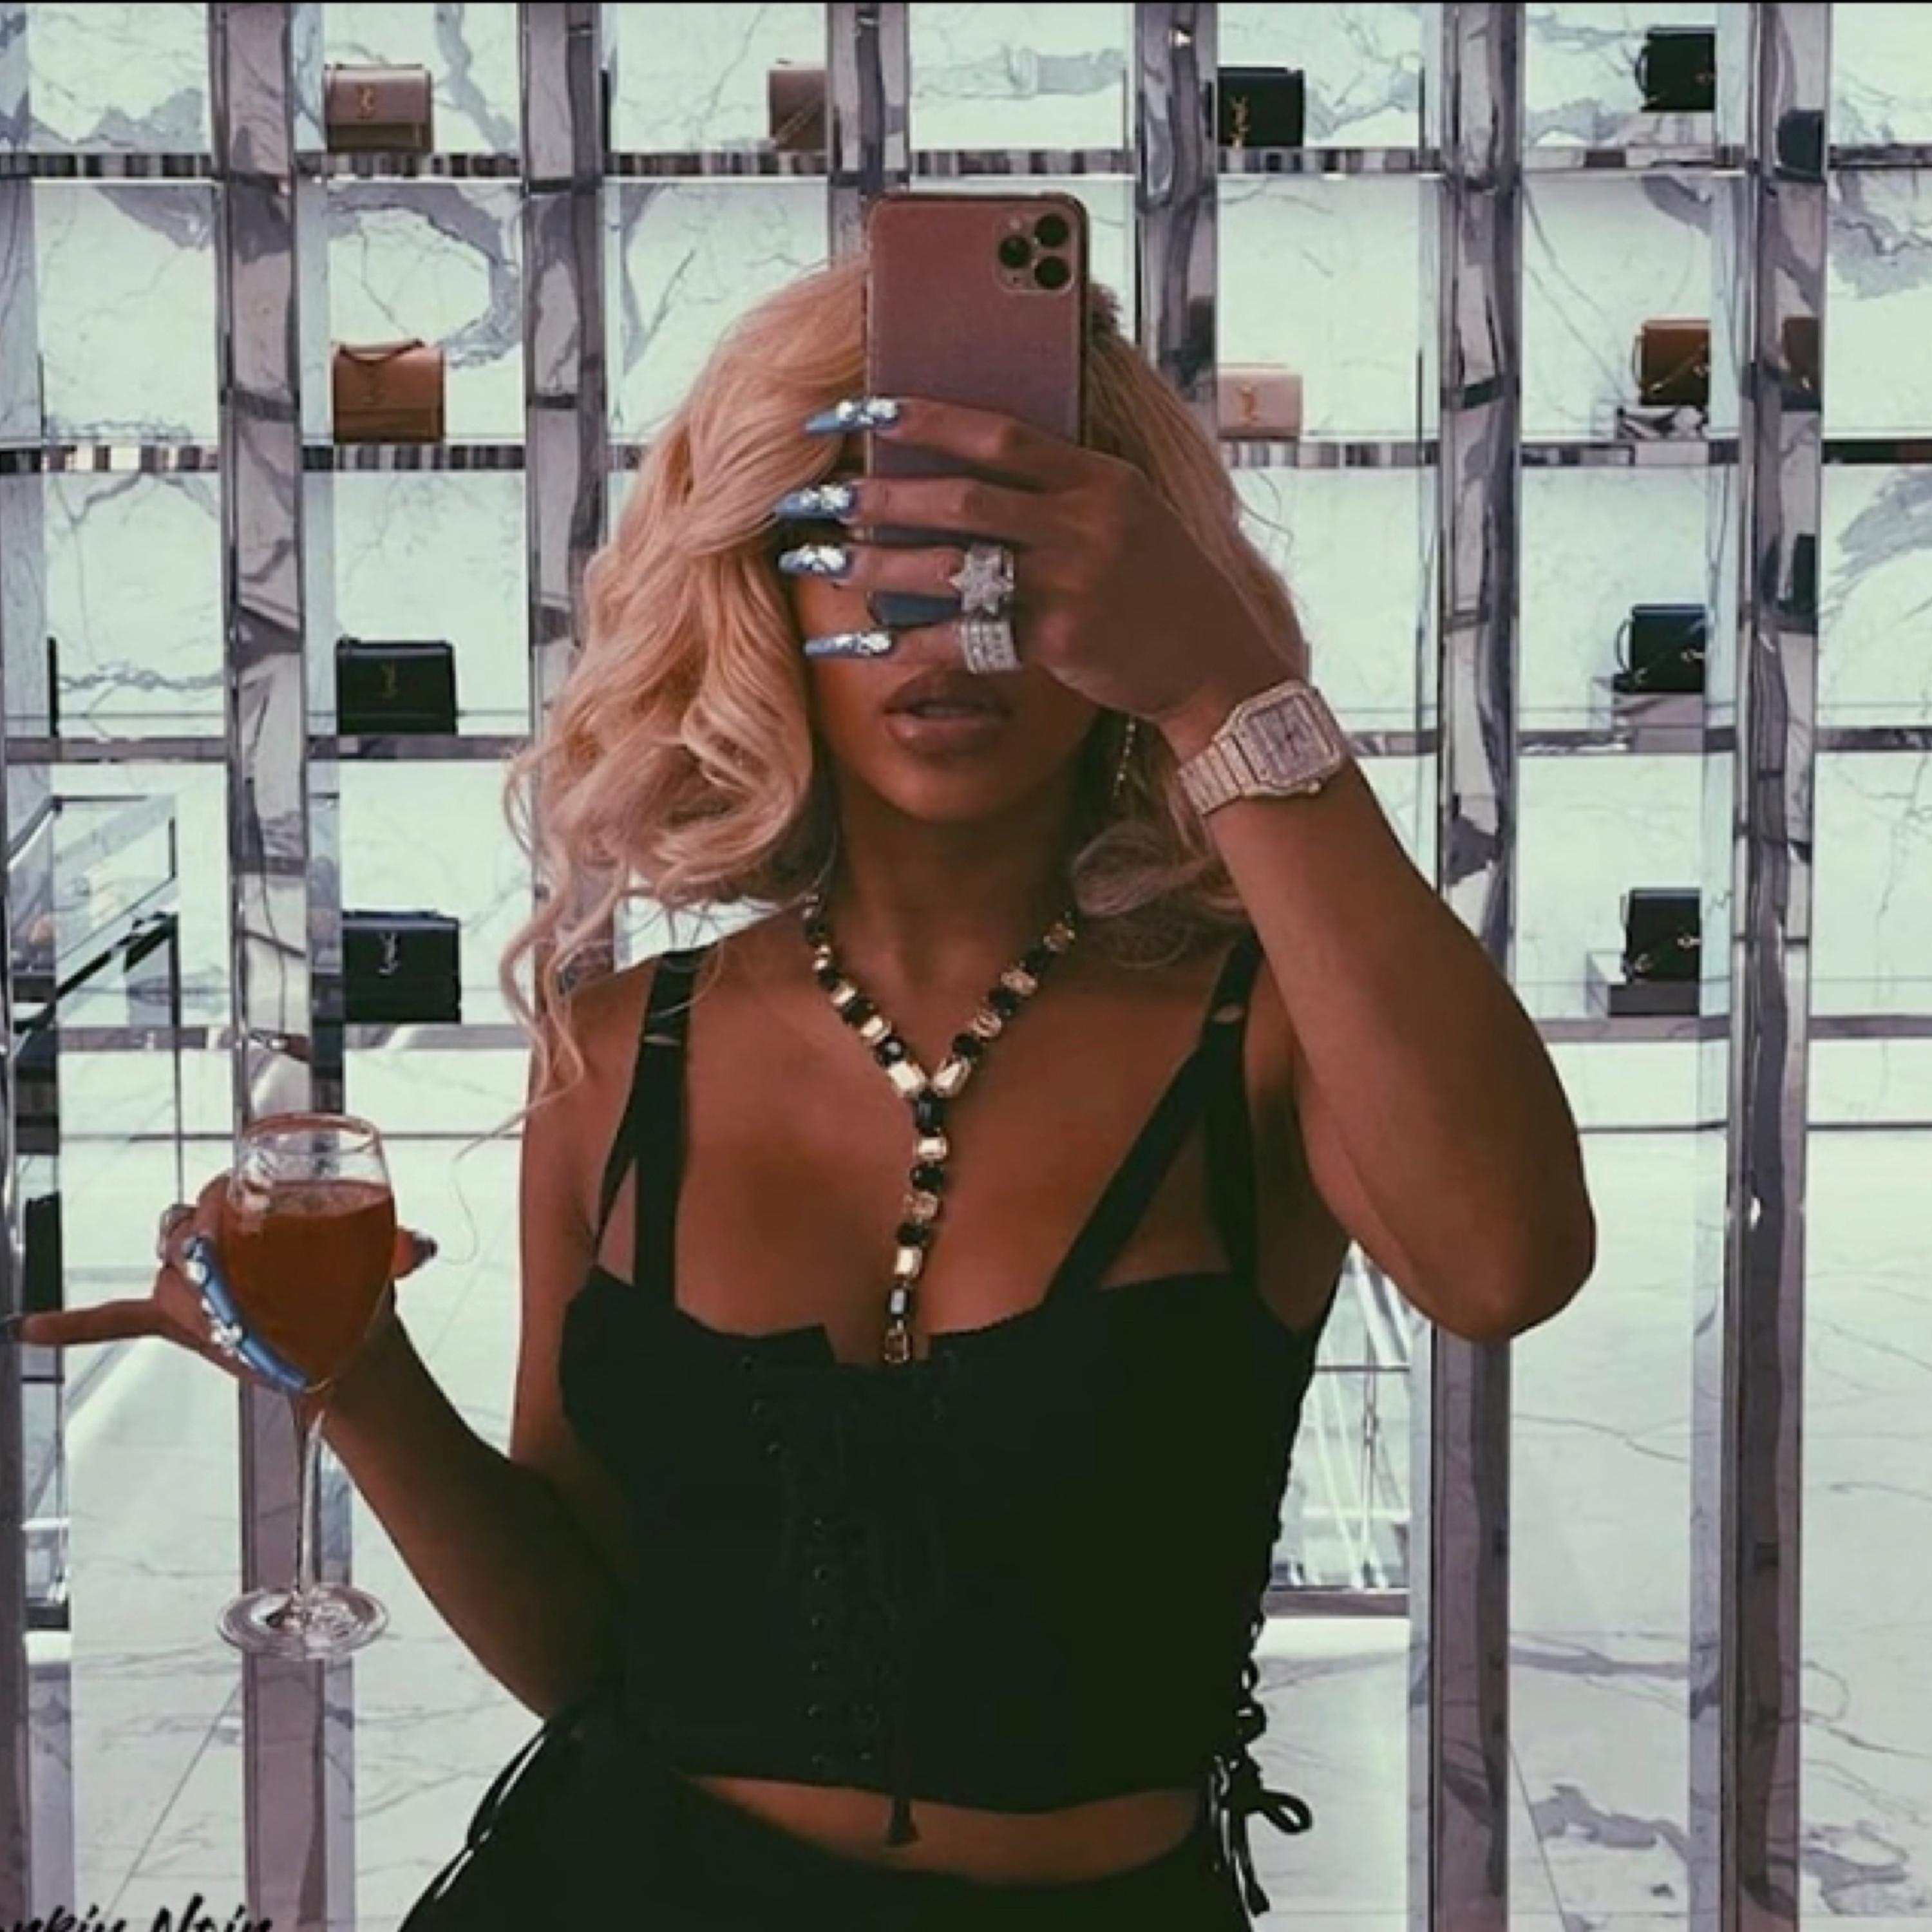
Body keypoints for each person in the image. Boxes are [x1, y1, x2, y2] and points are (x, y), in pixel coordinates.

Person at [7, 248, 1596, 1930]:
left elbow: (1503, 1265)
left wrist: (1228, 690)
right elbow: (587, 1648)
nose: (941, 627)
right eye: (858, 551)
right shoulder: (621, 1051)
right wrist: (355, 1375)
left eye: (1009, 558)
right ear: (761, 599)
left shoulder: (1266, 1029)